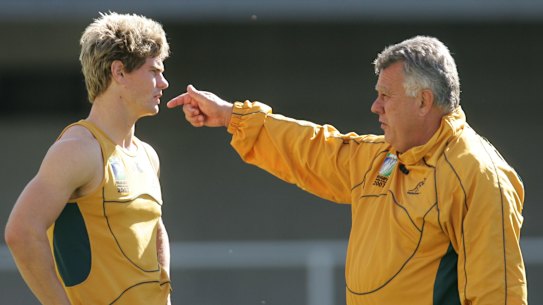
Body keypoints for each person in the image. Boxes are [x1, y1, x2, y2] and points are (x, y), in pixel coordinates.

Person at [167, 36, 527, 304]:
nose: (375, 106)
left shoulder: (478, 175)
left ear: (423, 101)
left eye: (386, 95)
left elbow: (499, 295)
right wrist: (231, 116)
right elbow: (315, 149)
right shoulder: (385, 156)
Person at [4, 12, 172, 305]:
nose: (164, 83)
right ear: (119, 72)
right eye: (154, 71)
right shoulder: (78, 149)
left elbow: (156, 228)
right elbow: (21, 232)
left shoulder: (148, 155)